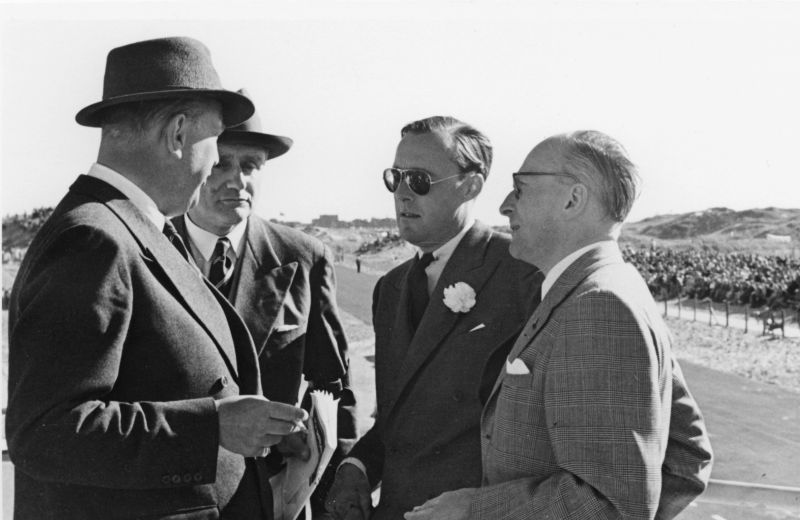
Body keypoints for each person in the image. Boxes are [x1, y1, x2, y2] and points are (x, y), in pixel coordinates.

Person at [5, 37, 308, 520]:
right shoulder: (95, 239)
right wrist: (213, 427)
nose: (214, 164)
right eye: (215, 142)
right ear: (178, 134)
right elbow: (46, 432)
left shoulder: (131, 227)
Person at [406, 130, 713, 520]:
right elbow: (687, 456)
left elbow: (611, 504)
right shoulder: (608, 287)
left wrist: (474, 510)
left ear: (573, 199)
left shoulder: (598, 308)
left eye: (520, 189)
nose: (504, 205)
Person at [324, 116, 539, 520]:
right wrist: (356, 468)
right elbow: (397, 420)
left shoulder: (524, 276)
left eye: (419, 180)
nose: (402, 194)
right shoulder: (390, 288)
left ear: (471, 185)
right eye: (395, 178)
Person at [172, 89, 357, 512]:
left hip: (269, 496)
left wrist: (332, 497)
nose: (238, 180)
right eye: (221, 163)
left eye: (251, 165)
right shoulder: (147, 248)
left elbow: (333, 388)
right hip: (174, 495)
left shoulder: (303, 257)